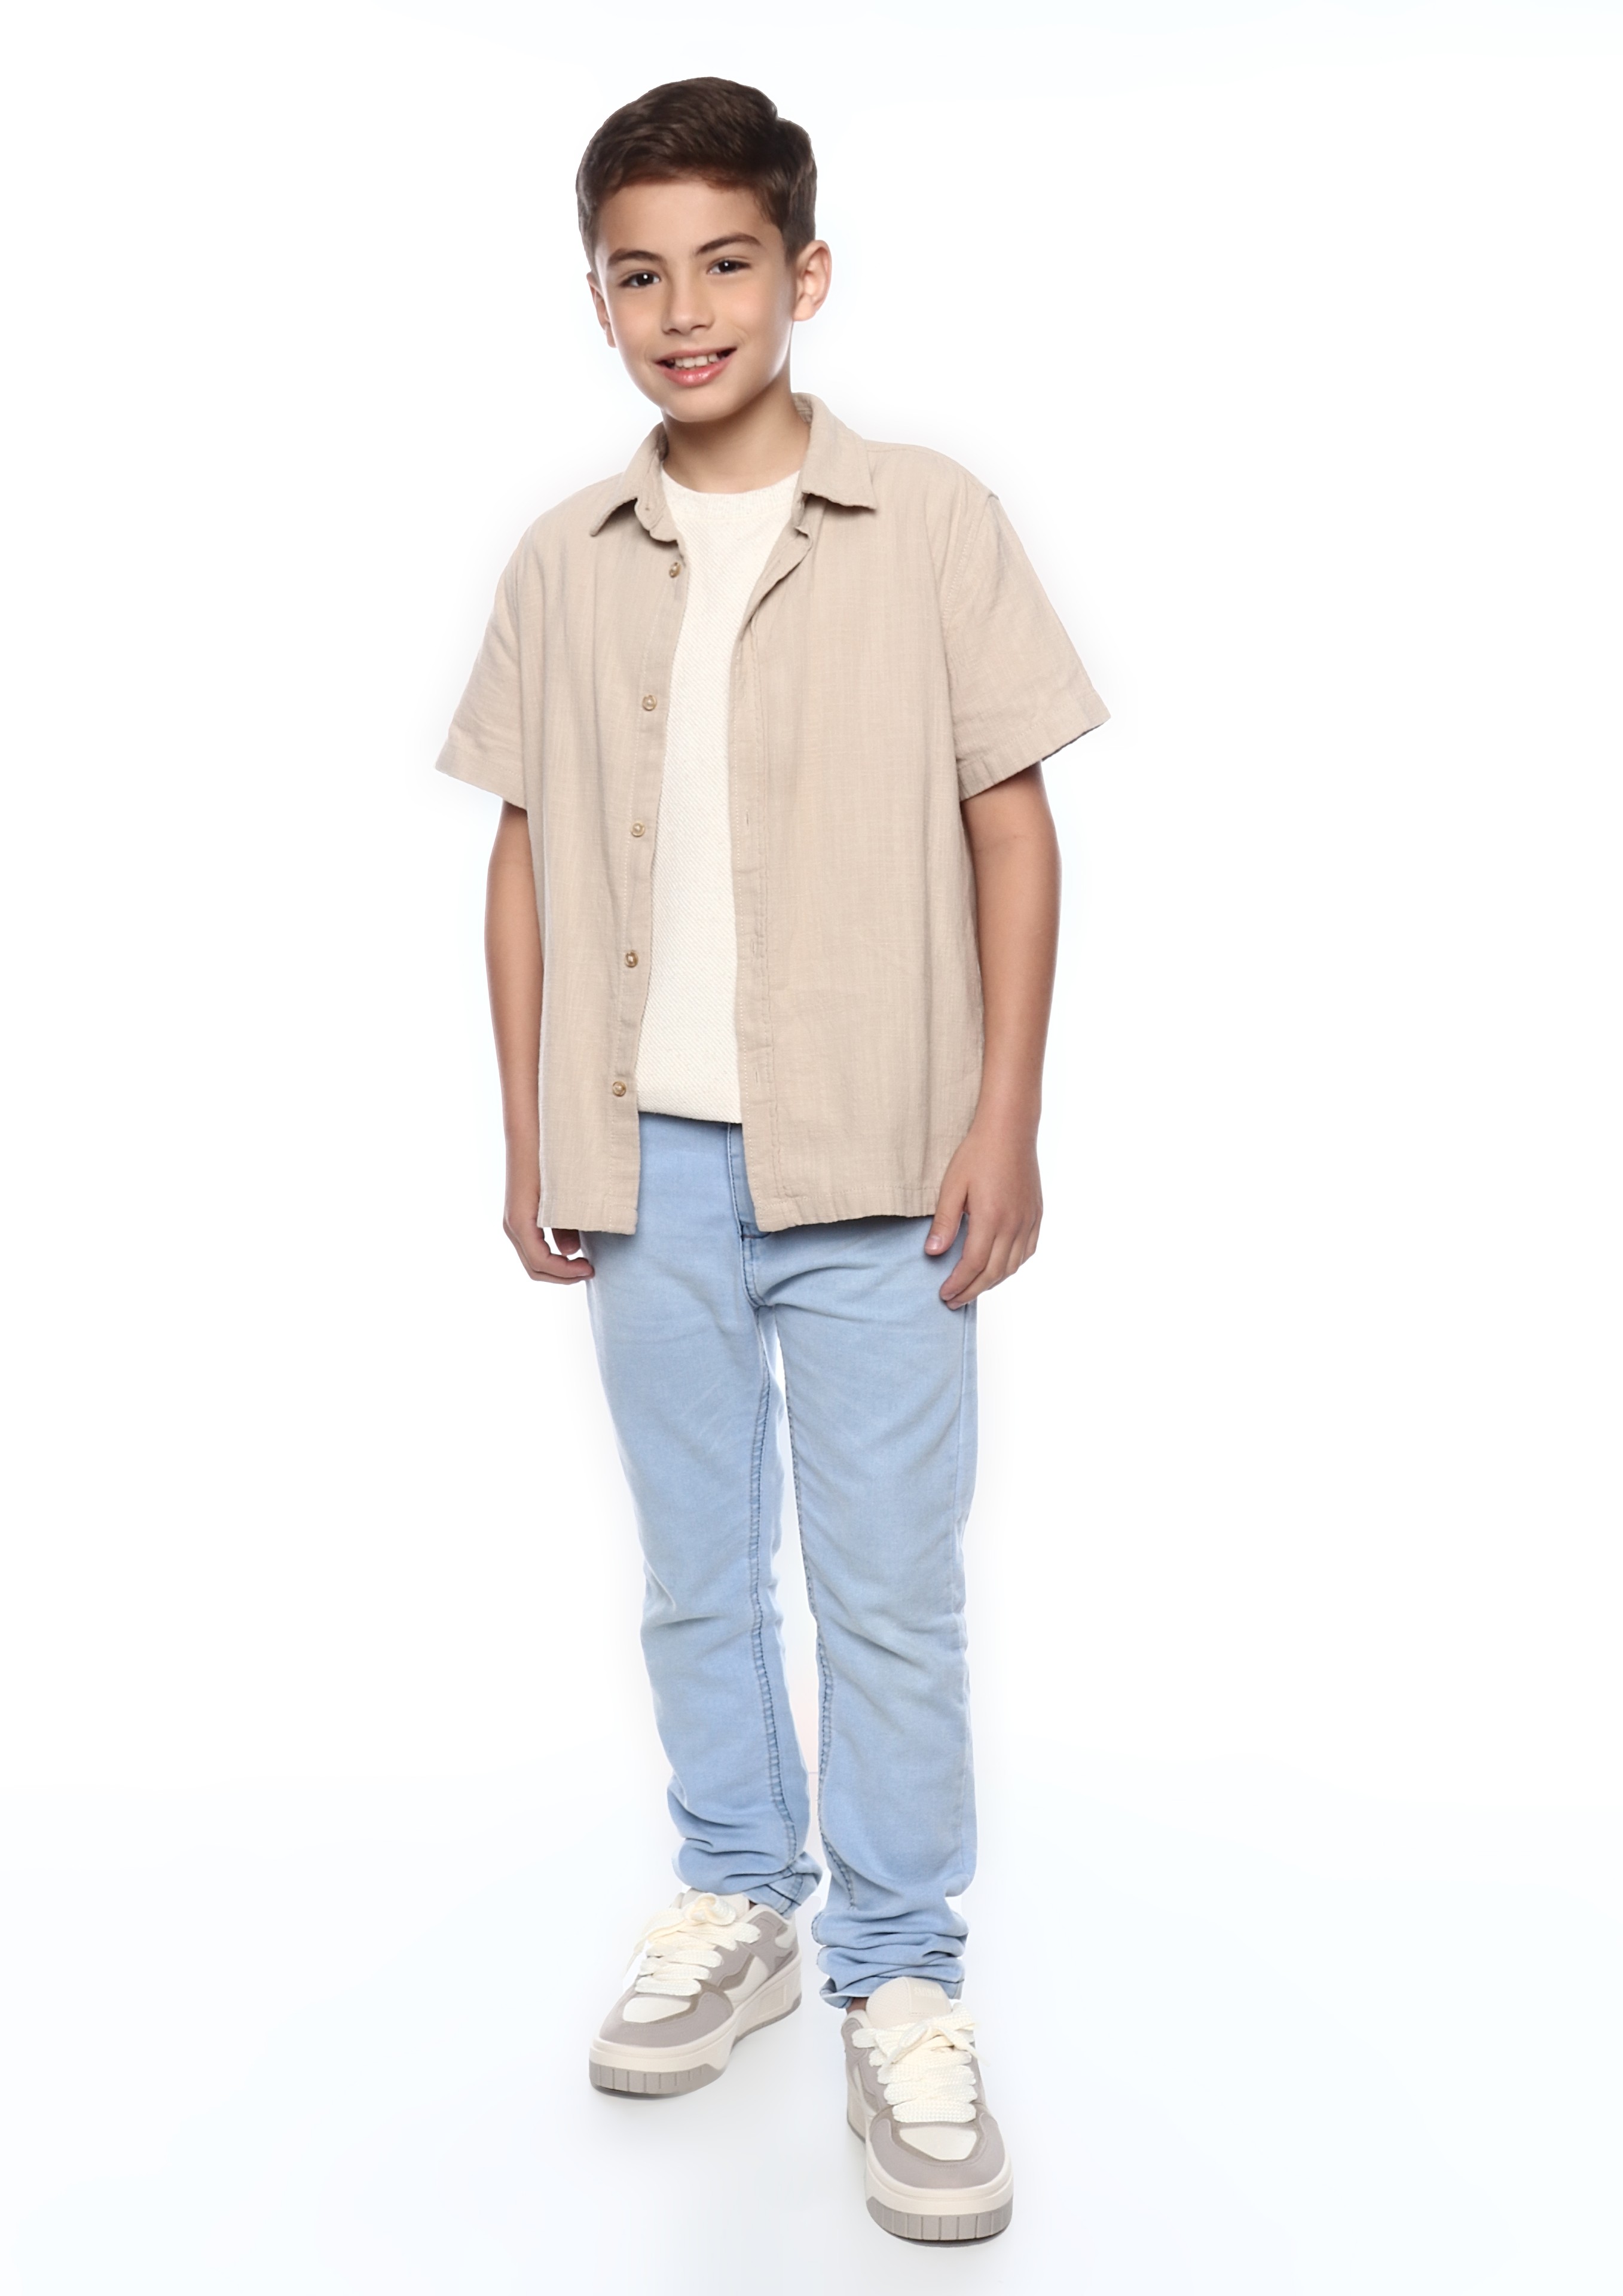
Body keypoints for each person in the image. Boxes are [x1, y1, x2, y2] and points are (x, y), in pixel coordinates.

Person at [436, 75, 1108, 2243]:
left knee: (889, 1594)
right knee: (692, 1572)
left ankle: (901, 1979)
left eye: (725, 262)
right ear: (597, 300)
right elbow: (522, 851)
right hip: (647, 1163)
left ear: (804, 274)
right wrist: (531, 1122)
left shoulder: (929, 521)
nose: (682, 309)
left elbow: (1012, 822)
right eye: (636, 273)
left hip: (883, 1154)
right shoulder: (564, 559)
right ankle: (738, 1897)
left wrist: (1004, 1112)